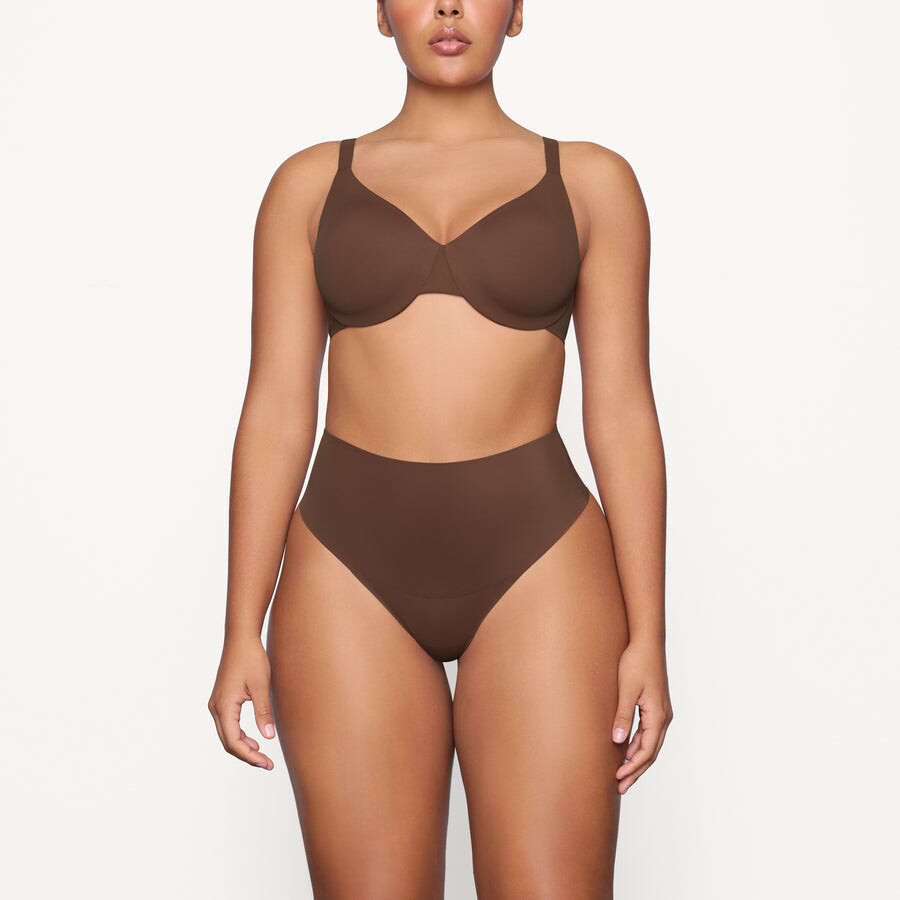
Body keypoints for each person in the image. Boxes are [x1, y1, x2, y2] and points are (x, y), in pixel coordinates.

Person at [208, 1, 673, 896]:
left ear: (519, 12)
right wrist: (239, 629)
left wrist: (650, 634)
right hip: (346, 569)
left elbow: (621, 412)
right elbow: (275, 410)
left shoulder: (593, 182)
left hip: (541, 561)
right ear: (381, 14)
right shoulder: (307, 186)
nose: (450, 7)